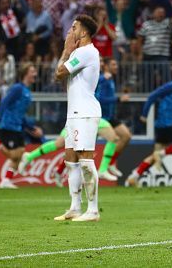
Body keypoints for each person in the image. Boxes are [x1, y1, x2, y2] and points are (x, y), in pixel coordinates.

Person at [53, 15, 101, 222]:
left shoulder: (86, 52)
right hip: (74, 113)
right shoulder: (79, 52)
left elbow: (60, 72)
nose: (69, 32)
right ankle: (74, 207)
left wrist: (66, 50)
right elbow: (59, 74)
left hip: (85, 113)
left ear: (84, 32)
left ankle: (93, 210)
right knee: (71, 160)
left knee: (85, 160)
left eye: (74, 28)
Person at [126, 64, 172, 186]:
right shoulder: (171, 86)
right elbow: (153, 96)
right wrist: (144, 114)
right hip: (166, 124)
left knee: (154, 155)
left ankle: (134, 176)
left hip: (167, 125)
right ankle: (161, 154)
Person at [0, 63, 43, 188]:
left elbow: (21, 112)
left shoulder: (27, 91)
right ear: (25, 73)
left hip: (18, 126)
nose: (35, 73)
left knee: (20, 154)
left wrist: (30, 128)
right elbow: (4, 103)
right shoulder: (17, 88)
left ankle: (6, 180)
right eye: (32, 71)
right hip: (8, 125)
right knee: (15, 155)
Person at [18, 118, 121, 184]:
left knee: (113, 138)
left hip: (92, 117)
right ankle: (30, 157)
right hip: (78, 117)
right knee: (61, 145)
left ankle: (102, 170)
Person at [95, 58, 132, 178]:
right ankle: (61, 170)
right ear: (106, 66)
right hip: (100, 117)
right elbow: (100, 99)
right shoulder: (103, 80)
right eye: (113, 64)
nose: (116, 66)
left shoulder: (110, 79)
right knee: (80, 147)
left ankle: (110, 163)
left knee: (126, 136)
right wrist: (118, 99)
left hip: (110, 117)